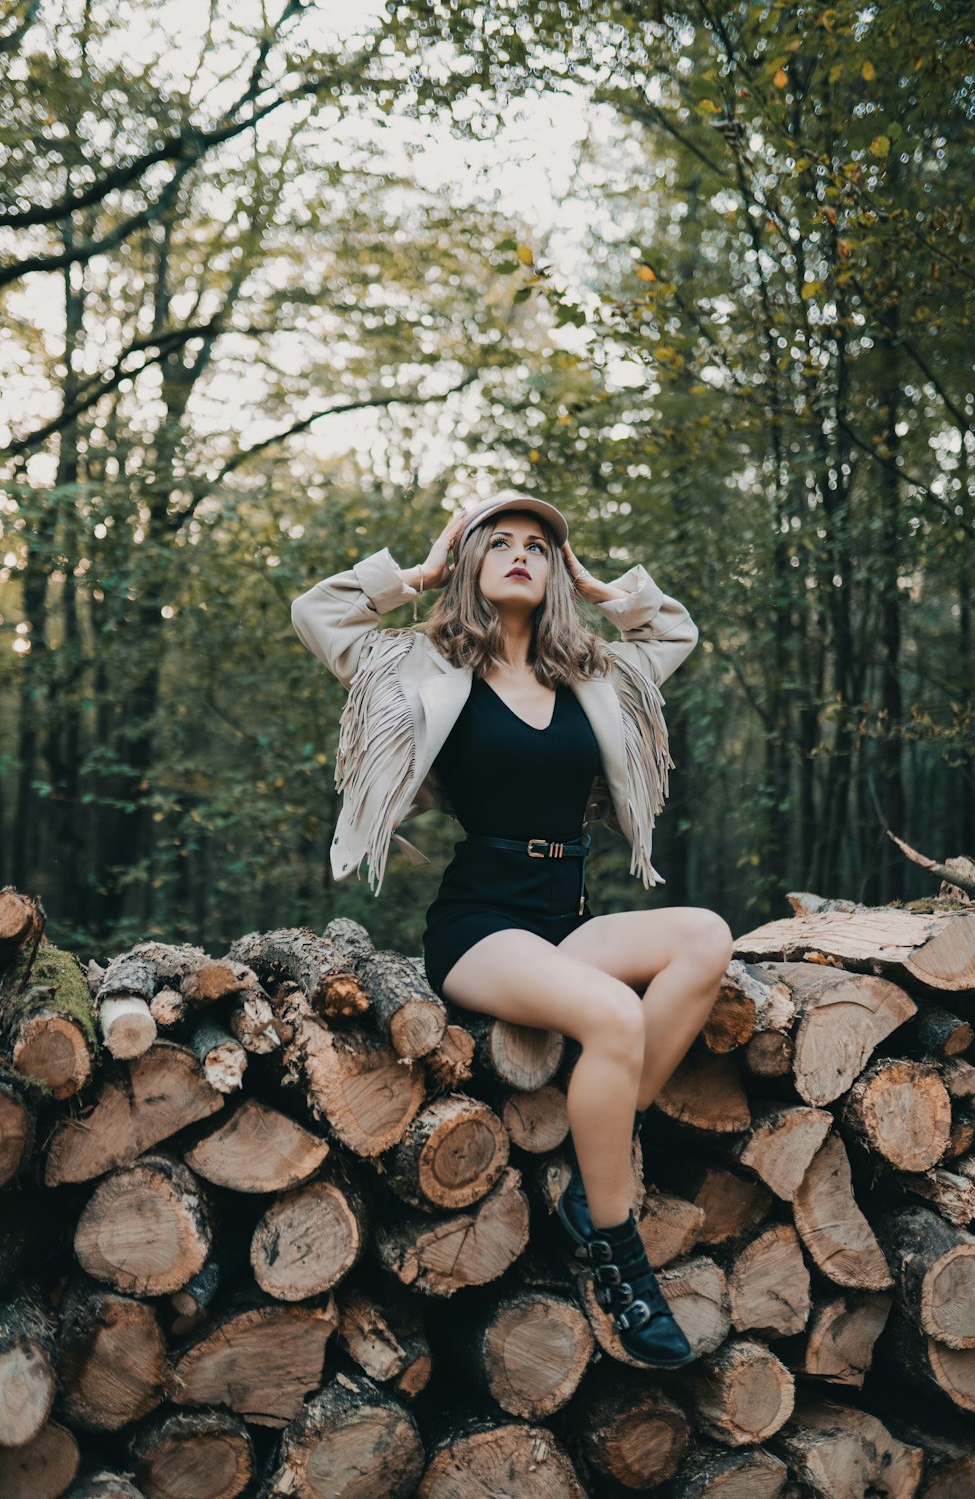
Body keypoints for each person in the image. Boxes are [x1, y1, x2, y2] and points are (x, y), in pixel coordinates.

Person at [291, 493, 733, 1369]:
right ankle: (618, 1251)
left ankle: (598, 1142)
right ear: (472, 563)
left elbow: (675, 632)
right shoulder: (421, 667)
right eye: (501, 543)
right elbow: (317, 611)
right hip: (482, 924)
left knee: (707, 937)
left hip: (564, 920)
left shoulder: (593, 674)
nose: (523, 555)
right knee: (614, 1015)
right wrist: (419, 569)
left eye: (541, 546)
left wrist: (603, 587)